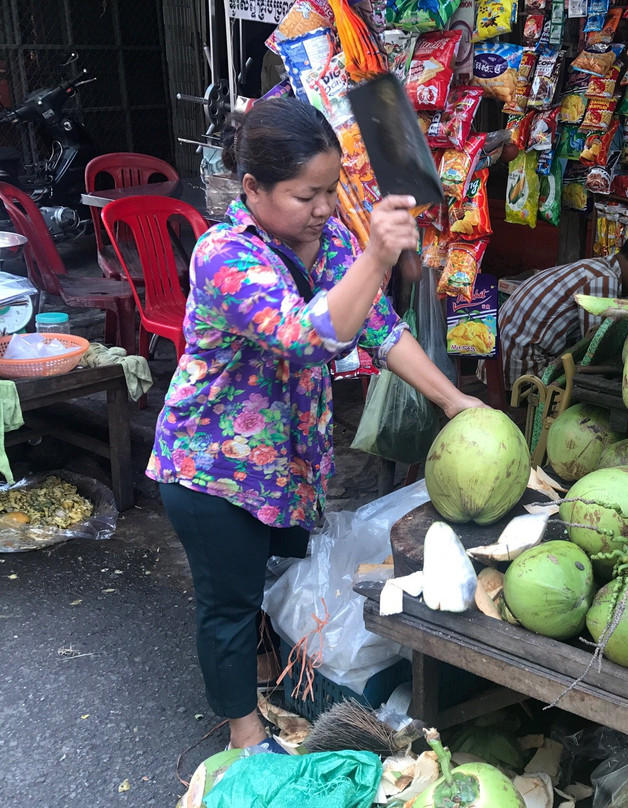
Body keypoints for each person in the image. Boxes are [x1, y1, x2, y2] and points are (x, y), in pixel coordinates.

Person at [147, 97, 484, 753]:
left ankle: (266, 677)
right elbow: (304, 334)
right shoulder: (226, 257)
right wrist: (379, 259)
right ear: (253, 189)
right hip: (211, 471)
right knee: (228, 606)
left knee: (267, 583)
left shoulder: (327, 240)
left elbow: (381, 330)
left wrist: (453, 402)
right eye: (308, 195)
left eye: (332, 191)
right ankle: (245, 735)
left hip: (286, 467)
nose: (327, 208)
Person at [497, 225, 628, 390]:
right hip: (521, 371)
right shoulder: (603, 281)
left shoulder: (597, 266)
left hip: (500, 357)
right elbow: (595, 348)